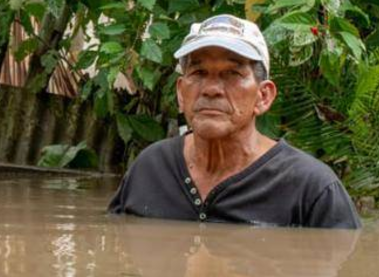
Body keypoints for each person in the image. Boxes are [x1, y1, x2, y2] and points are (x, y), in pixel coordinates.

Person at [108, 14, 361, 229]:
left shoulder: (311, 188)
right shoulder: (150, 169)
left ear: (263, 96)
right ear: (181, 94)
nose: (211, 89)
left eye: (232, 74)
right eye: (199, 72)